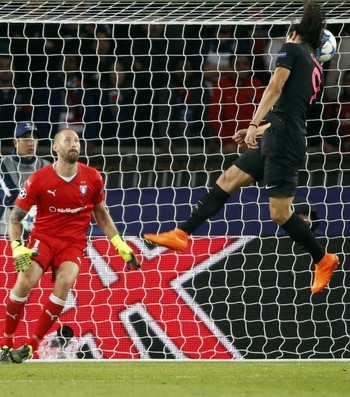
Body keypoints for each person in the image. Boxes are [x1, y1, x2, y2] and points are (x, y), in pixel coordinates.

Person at [144, 1, 339, 295]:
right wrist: (258, 129)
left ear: (295, 32)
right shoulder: (314, 68)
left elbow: (274, 88)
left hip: (284, 141)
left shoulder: (291, 50)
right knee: (228, 179)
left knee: (280, 213)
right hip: (280, 135)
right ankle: (181, 233)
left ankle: (324, 259)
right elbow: (289, 111)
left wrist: (252, 124)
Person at [0, 128, 141, 364]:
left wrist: (119, 244)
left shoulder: (93, 177)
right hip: (42, 238)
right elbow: (15, 218)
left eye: (77, 140)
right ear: (56, 148)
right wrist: (17, 246)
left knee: (64, 283)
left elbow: (102, 214)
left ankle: (31, 346)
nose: (74, 144)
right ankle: (5, 342)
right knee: (25, 281)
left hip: (73, 243)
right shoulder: (38, 179)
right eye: (68, 140)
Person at [0, 122, 51, 237]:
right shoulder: (2, 165)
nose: (31, 143)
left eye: (35, 138)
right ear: (15, 142)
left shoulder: (46, 166)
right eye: (25, 138)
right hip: (5, 231)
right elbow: (10, 197)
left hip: (40, 232)